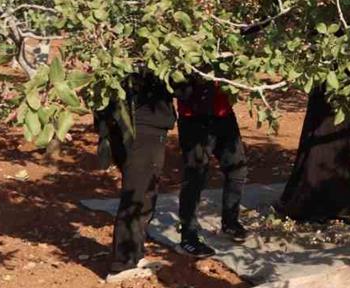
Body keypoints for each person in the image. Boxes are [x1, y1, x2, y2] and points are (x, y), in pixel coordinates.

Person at [100, 70, 177, 278]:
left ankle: (135, 255)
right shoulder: (145, 58)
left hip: (144, 128)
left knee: (145, 195)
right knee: (136, 196)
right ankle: (121, 265)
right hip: (141, 130)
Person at [175, 75, 249, 257]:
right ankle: (188, 237)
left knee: (237, 168)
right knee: (195, 176)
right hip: (194, 119)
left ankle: (230, 222)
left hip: (224, 115)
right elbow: (179, 88)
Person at [275, 85, 350, 223]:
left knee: (345, 132)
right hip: (329, 82)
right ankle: (322, 200)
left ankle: (343, 200)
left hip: (348, 82)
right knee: (324, 129)